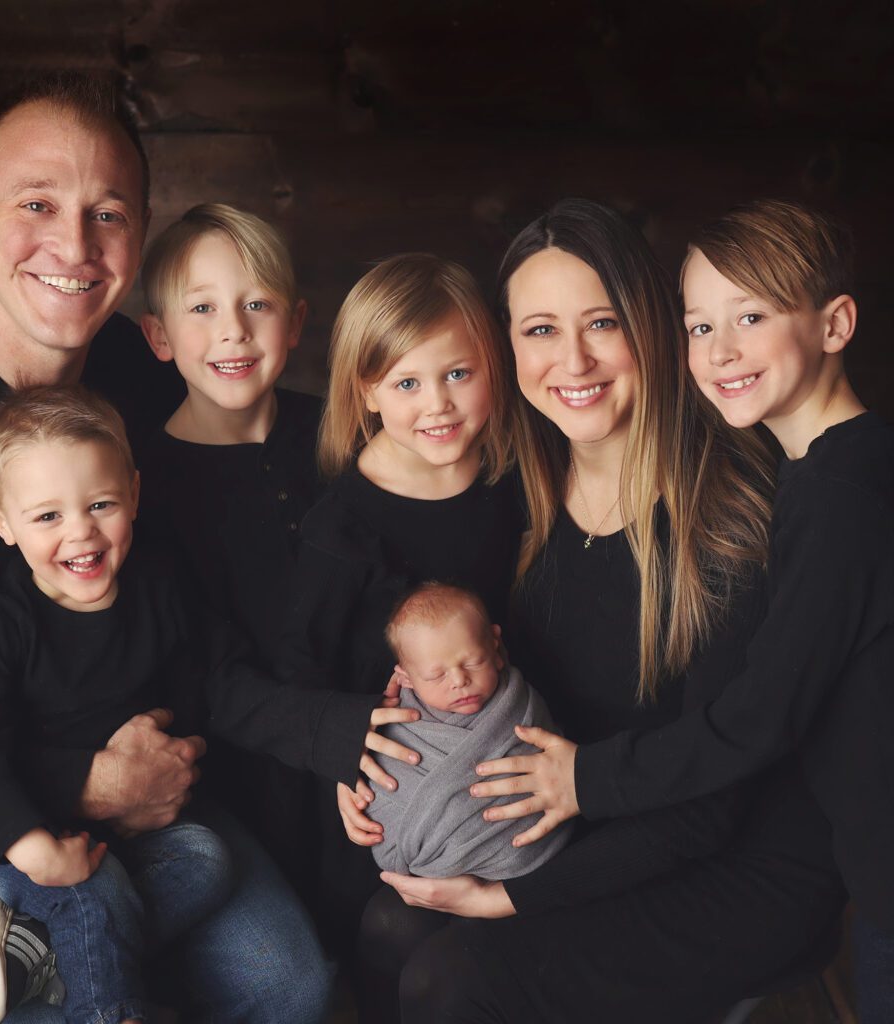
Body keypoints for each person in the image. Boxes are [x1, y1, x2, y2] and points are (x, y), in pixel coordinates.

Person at [0, 72, 410, 1024]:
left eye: (108, 213)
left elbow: (263, 472)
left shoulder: (142, 370)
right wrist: (78, 780)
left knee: (290, 985)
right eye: (36, 205)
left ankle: (80, 943)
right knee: (30, 1013)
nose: (74, 248)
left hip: (132, 766)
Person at [348, 199, 845, 1023]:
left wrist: (515, 897)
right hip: (589, 822)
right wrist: (375, 758)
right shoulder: (517, 490)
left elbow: (712, 802)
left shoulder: (730, 520)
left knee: (452, 975)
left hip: (737, 858)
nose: (571, 359)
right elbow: (440, 651)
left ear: (649, 326)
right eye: (539, 329)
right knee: (386, 920)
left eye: (601, 322)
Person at [496, 199, 893, 1021]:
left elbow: (760, 719)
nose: (721, 351)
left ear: (836, 324)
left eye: (750, 316)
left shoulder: (840, 495)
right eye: (700, 326)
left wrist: (587, 779)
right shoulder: (820, 477)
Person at [0, 385, 236, 1024]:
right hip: (16, 819)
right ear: (3, 522)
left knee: (210, 862)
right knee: (90, 892)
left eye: (101, 504)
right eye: (46, 516)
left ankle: (37, 953)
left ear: (133, 493)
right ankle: (113, 1010)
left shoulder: (158, 581)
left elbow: (193, 687)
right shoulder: (1, 616)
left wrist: (173, 759)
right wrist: (29, 844)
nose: (81, 531)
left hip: (121, 828)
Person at [274, 252, 523, 955]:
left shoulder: (509, 482)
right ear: (367, 391)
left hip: (493, 757)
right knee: (387, 935)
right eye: (407, 381)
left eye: (458, 374)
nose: (437, 403)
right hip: (383, 783)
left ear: (491, 369)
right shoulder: (343, 526)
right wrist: (339, 773)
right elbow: (302, 671)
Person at [137, 203, 321, 895]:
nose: (234, 331)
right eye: (203, 309)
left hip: (365, 736)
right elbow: (199, 674)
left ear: (296, 323)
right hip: (238, 771)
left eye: (256, 304)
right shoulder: (146, 483)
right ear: (159, 336)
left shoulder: (343, 437)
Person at [367, 581, 572, 880]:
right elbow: (381, 797)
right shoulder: (395, 726)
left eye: (474, 662)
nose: (459, 680)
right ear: (406, 679)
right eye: (436, 675)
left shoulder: (523, 706)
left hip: (528, 862)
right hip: (427, 863)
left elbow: (554, 770)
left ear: (496, 649)